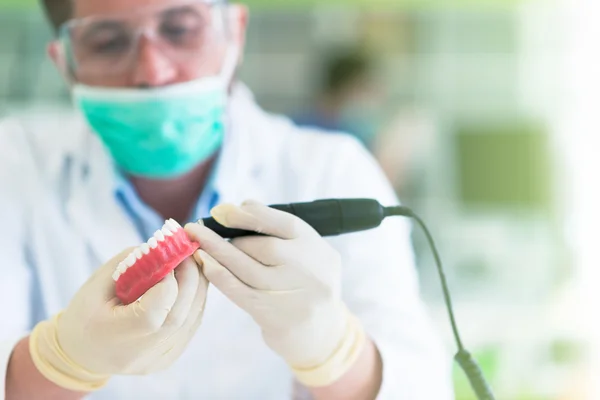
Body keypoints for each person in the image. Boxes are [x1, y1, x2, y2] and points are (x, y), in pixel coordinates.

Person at [0, 0, 453, 399]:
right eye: (107, 42)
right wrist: (61, 359)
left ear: (233, 31)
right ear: (66, 63)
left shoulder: (332, 169)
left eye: (180, 30)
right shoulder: (13, 167)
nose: (153, 72)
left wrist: (333, 351)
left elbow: (422, 388)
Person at [294, 49, 384, 150]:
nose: (369, 99)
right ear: (343, 87)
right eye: (365, 89)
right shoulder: (300, 128)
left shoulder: (357, 129)